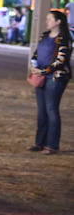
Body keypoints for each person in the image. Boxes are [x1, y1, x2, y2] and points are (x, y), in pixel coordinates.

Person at [28, 9, 71, 154]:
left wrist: (45, 71)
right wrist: (34, 67)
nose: (46, 21)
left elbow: (61, 60)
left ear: (58, 22)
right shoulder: (45, 36)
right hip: (41, 76)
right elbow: (36, 54)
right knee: (42, 111)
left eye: (49, 19)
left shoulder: (64, 39)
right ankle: (39, 143)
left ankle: (52, 145)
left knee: (51, 109)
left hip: (56, 77)